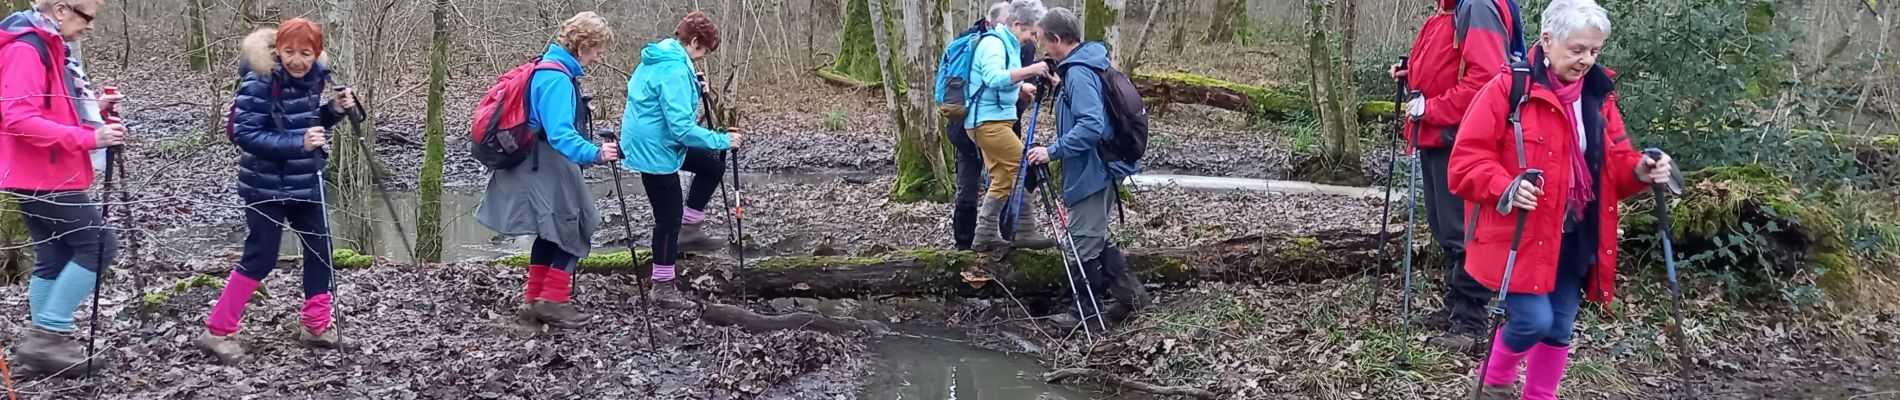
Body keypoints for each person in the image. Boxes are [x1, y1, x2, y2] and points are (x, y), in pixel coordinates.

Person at [1448, 1, 1674, 398]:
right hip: (1519, 235)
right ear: (1548, 40)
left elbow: (1614, 163)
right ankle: (1493, 382)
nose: (1587, 60)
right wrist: (1507, 186)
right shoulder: (1508, 88)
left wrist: (1641, 170)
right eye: (1577, 49)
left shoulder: (1598, 97)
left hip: (1576, 233)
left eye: (1594, 51)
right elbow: (1465, 162)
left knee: (1559, 326)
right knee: (1532, 321)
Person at [193, 18, 359, 364]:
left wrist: (334, 111)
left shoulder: (314, 80)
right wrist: (299, 143)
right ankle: (217, 331)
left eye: (306, 53)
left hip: (304, 181)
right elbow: (246, 134)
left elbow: (308, 121)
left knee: (321, 251)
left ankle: (316, 325)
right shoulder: (258, 81)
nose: (297, 60)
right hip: (264, 185)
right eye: (289, 52)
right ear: (278, 51)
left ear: (317, 54)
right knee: (261, 257)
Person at [1388, 0, 1527, 350]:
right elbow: (1451, 66)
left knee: (1464, 231)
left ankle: (1471, 322)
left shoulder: (1477, 6)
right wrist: (1411, 72)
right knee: (1446, 228)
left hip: (1458, 138)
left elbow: (1488, 78)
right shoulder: (1452, 9)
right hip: (1441, 135)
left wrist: (1431, 108)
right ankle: (1455, 309)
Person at [0, 0, 128, 378]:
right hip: (42, 172)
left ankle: (42, 353)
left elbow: (51, 106)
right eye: (86, 16)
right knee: (100, 245)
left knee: (53, 257)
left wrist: (95, 109)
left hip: (41, 171)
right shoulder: (27, 47)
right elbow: (18, 116)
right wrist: (91, 138)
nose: (89, 26)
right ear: (60, 9)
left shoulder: (50, 45)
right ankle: (49, 333)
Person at [478, 11, 619, 329]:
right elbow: (560, 135)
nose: (598, 57)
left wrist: (578, 106)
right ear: (582, 46)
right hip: (546, 162)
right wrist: (596, 153)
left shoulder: (547, 68)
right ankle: (554, 301)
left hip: (534, 161)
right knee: (579, 224)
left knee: (550, 231)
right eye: (597, 50)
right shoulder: (556, 78)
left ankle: (534, 302)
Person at [1025, 7, 1146, 322]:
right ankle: (1134, 300)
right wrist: (1058, 83)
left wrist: (1052, 151)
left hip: (1093, 170)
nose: (1042, 49)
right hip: (1098, 166)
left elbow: (1091, 126)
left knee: (1080, 242)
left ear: (1058, 39)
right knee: (1092, 235)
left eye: (1043, 41)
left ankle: (1086, 314)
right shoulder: (1083, 65)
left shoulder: (1078, 72)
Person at [620, 11, 742, 309]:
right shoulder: (673, 69)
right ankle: (662, 287)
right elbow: (683, 129)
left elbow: (659, 99)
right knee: (667, 217)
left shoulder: (663, 59)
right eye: (703, 52)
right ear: (695, 41)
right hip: (655, 149)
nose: (702, 58)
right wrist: (723, 139)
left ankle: (690, 229)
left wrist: (693, 86)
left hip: (657, 139)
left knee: (711, 165)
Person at [948, 1, 1053, 252]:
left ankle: (984, 235)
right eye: (1029, 33)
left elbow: (997, 81)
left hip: (993, 120)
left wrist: (1020, 87)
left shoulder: (1007, 44)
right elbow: (993, 78)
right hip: (988, 123)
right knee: (1022, 166)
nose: (1031, 40)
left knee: (1002, 178)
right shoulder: (994, 44)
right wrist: (1031, 70)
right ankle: (1025, 231)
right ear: (1016, 25)